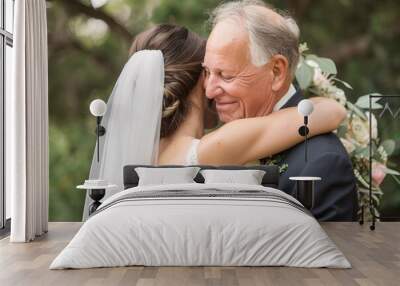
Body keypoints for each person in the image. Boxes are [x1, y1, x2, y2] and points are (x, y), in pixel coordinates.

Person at [84, 23, 346, 219]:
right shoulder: (211, 148)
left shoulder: (137, 150)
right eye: (210, 72)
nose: (214, 85)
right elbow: (332, 112)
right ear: (200, 81)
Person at [202, 0, 358, 221]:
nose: (209, 91)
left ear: (276, 72)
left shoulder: (322, 164)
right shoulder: (213, 138)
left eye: (226, 76)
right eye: (207, 72)